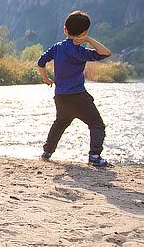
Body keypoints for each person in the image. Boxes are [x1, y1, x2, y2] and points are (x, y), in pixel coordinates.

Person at [36, 10, 112, 167]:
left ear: (65, 29)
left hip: (61, 96)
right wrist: (89, 39)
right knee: (97, 124)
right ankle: (95, 156)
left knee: (61, 123)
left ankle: (47, 152)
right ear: (84, 32)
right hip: (78, 96)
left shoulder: (57, 48)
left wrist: (46, 79)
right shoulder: (81, 52)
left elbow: (41, 62)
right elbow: (105, 53)